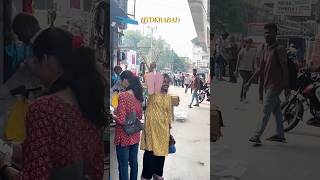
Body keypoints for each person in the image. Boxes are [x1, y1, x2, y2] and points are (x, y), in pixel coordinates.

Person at [0, 28, 106, 179]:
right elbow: (95, 171)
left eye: (36, 61)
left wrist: (5, 166)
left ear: (48, 60)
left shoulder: (43, 109)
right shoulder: (89, 103)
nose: (34, 69)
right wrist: (29, 151)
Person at [245, 23, 289, 144]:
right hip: (267, 83)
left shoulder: (279, 49)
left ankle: (257, 135)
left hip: (276, 84)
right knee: (276, 111)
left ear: (275, 34)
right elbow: (260, 68)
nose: (267, 35)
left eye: (270, 32)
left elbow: (285, 69)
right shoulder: (265, 49)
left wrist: (286, 87)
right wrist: (249, 81)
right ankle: (280, 134)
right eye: (265, 33)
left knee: (266, 110)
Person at [140, 74, 173, 180]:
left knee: (161, 154)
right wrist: (152, 70)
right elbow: (148, 79)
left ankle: (157, 174)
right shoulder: (153, 93)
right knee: (150, 153)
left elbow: (168, 113)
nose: (166, 84)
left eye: (168, 82)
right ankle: (146, 176)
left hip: (163, 130)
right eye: (164, 81)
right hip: (151, 130)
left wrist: (169, 129)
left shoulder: (168, 97)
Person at [114, 70, 143, 180]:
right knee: (134, 164)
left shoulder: (123, 96)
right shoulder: (138, 95)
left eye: (121, 81)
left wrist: (113, 115)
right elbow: (139, 116)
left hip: (123, 137)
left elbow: (121, 120)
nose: (121, 83)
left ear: (125, 80)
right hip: (135, 135)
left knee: (123, 165)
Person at [235, 38, 256, 103]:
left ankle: (243, 96)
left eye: (250, 43)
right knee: (245, 81)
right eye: (248, 43)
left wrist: (253, 69)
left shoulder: (252, 51)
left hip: (249, 69)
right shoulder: (242, 51)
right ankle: (243, 97)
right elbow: (238, 61)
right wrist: (236, 70)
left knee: (248, 84)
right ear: (246, 43)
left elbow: (253, 61)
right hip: (242, 69)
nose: (249, 44)